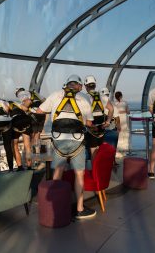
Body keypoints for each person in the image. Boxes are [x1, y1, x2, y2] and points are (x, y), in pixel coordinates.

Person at [36, 74, 96, 220]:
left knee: (58, 171)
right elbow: (89, 123)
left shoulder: (55, 95)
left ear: (66, 85)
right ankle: (80, 209)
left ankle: (56, 205)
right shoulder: (84, 99)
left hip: (58, 140)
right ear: (80, 86)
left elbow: (39, 111)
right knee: (79, 174)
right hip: (77, 141)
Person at [84, 75, 114, 160]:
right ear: (95, 85)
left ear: (86, 86)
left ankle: (95, 171)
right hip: (102, 127)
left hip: (91, 127)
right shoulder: (103, 96)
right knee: (100, 150)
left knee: (93, 151)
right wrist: (108, 122)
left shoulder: (85, 97)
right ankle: (100, 170)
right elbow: (111, 109)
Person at [11, 90, 33, 170]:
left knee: (15, 145)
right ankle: (29, 166)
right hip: (25, 121)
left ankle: (20, 167)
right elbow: (26, 108)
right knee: (27, 146)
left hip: (15, 123)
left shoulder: (12, 103)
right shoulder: (25, 98)